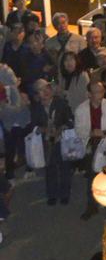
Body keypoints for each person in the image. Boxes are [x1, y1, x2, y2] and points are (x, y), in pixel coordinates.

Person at [75, 80, 106, 220]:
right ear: (89, 94)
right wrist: (92, 133)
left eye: (101, 92)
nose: (99, 95)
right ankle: (92, 205)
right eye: (96, 92)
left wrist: (104, 133)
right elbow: (79, 130)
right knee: (92, 176)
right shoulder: (81, 110)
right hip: (91, 144)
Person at [29, 78, 74, 206]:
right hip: (46, 143)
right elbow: (32, 126)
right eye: (41, 90)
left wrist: (61, 129)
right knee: (50, 169)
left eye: (47, 88)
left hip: (62, 141)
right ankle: (52, 194)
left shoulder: (61, 103)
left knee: (65, 168)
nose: (45, 92)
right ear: (37, 95)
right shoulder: (36, 108)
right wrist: (43, 129)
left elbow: (70, 120)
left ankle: (65, 194)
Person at [0, 62, 29, 180]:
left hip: (15, 121)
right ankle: (10, 172)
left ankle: (12, 172)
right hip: (11, 121)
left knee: (14, 146)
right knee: (11, 147)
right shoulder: (7, 88)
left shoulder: (11, 87)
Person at [20, 29, 55, 96]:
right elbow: (26, 79)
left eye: (36, 41)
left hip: (49, 86)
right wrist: (42, 71)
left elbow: (53, 77)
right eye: (30, 42)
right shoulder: (25, 58)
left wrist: (51, 82)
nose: (33, 45)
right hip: (33, 90)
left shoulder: (47, 55)